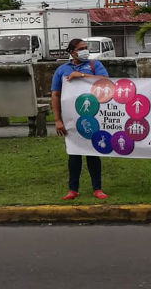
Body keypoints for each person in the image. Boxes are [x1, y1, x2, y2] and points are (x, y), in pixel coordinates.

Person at [51, 38, 109, 200]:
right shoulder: (62, 70)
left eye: (86, 48)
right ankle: (73, 189)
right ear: (71, 52)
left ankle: (97, 188)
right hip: (71, 119)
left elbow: (106, 82)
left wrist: (81, 75)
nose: (85, 50)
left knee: (93, 153)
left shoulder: (94, 66)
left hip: (94, 116)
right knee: (74, 154)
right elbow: (55, 95)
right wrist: (57, 120)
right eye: (81, 48)